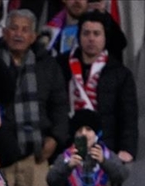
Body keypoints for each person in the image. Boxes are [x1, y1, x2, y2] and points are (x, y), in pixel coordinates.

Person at [0, 9, 69, 186]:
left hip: (36, 157)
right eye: (14, 28)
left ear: (33, 37)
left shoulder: (48, 65)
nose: (18, 34)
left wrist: (56, 138)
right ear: (4, 33)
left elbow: (60, 106)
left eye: (25, 30)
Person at [57, 10, 137, 162]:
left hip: (106, 148)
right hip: (69, 147)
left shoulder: (120, 73)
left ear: (105, 37)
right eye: (86, 33)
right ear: (79, 36)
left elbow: (128, 116)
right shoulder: (61, 65)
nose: (91, 39)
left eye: (96, 34)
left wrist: (127, 149)